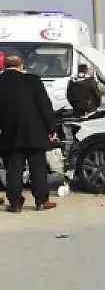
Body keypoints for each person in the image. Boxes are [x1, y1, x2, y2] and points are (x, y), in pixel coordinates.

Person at [0, 55, 58, 212]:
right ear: (20, 66)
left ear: (4, 66)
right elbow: (44, 106)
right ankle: (41, 201)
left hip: (10, 133)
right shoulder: (33, 80)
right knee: (38, 167)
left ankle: (15, 203)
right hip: (35, 132)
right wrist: (51, 129)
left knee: (14, 169)